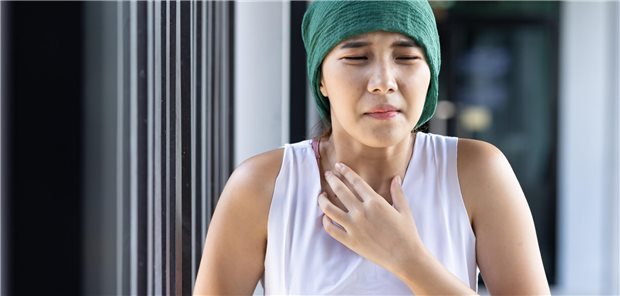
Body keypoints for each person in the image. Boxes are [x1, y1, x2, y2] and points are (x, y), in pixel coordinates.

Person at [193, 0, 550, 294]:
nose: (383, 82)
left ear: (431, 72)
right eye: (357, 57)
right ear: (321, 79)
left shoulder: (477, 172)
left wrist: (407, 258)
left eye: (407, 57)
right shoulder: (261, 186)